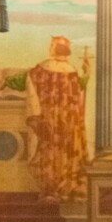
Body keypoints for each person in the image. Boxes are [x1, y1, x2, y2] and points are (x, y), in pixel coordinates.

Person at [25, 37, 91, 201]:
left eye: (51, 45)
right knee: (68, 150)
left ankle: (50, 190)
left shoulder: (40, 69)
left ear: (53, 49)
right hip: (70, 120)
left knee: (49, 150)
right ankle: (67, 189)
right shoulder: (72, 70)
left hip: (49, 119)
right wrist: (87, 72)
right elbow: (80, 91)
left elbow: (27, 86)